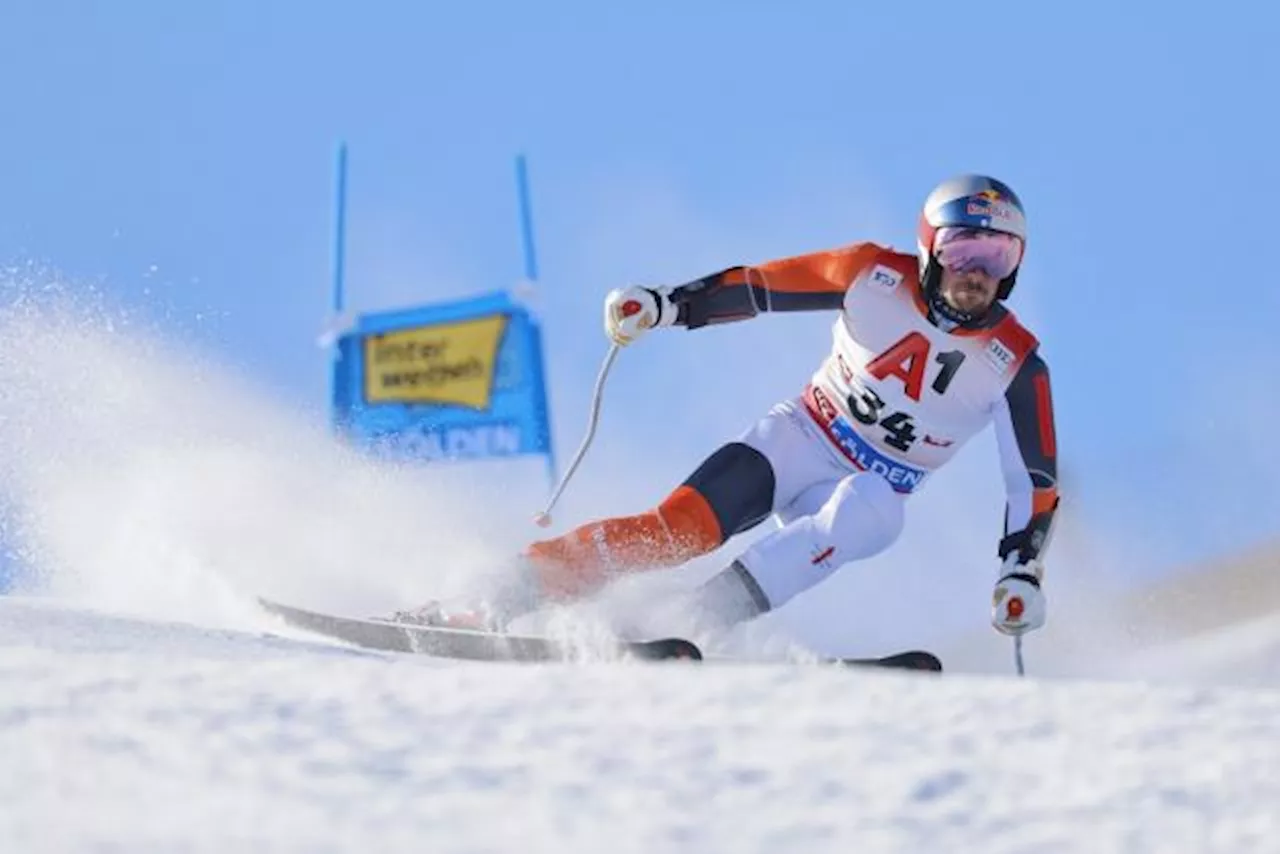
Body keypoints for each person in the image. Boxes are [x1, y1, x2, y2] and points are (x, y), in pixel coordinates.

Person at [395, 174, 1059, 642]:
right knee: (673, 531)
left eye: (997, 255)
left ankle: (690, 621)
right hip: (799, 438)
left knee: (874, 509)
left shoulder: (1016, 362)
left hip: (876, 486)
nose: (976, 271)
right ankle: (493, 595)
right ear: (928, 250)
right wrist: (667, 304)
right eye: (961, 249)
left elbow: (1032, 482)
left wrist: (1019, 568)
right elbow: (761, 287)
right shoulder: (870, 275)